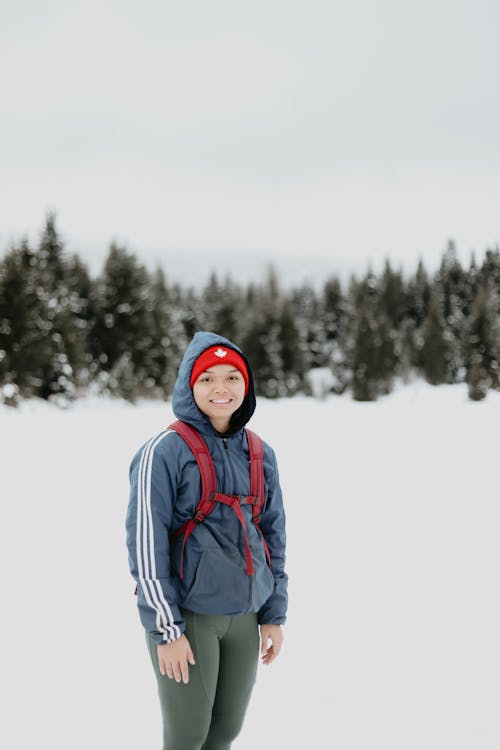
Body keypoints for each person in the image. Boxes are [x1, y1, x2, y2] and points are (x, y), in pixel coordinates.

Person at [126, 331, 288, 750]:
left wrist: (273, 613)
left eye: (232, 378)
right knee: (187, 736)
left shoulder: (259, 452)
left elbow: (272, 535)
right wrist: (167, 629)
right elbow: (146, 543)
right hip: (188, 618)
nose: (221, 388)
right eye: (207, 378)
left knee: (225, 732)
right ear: (188, 385)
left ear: (246, 385)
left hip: (245, 617)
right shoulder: (162, 451)